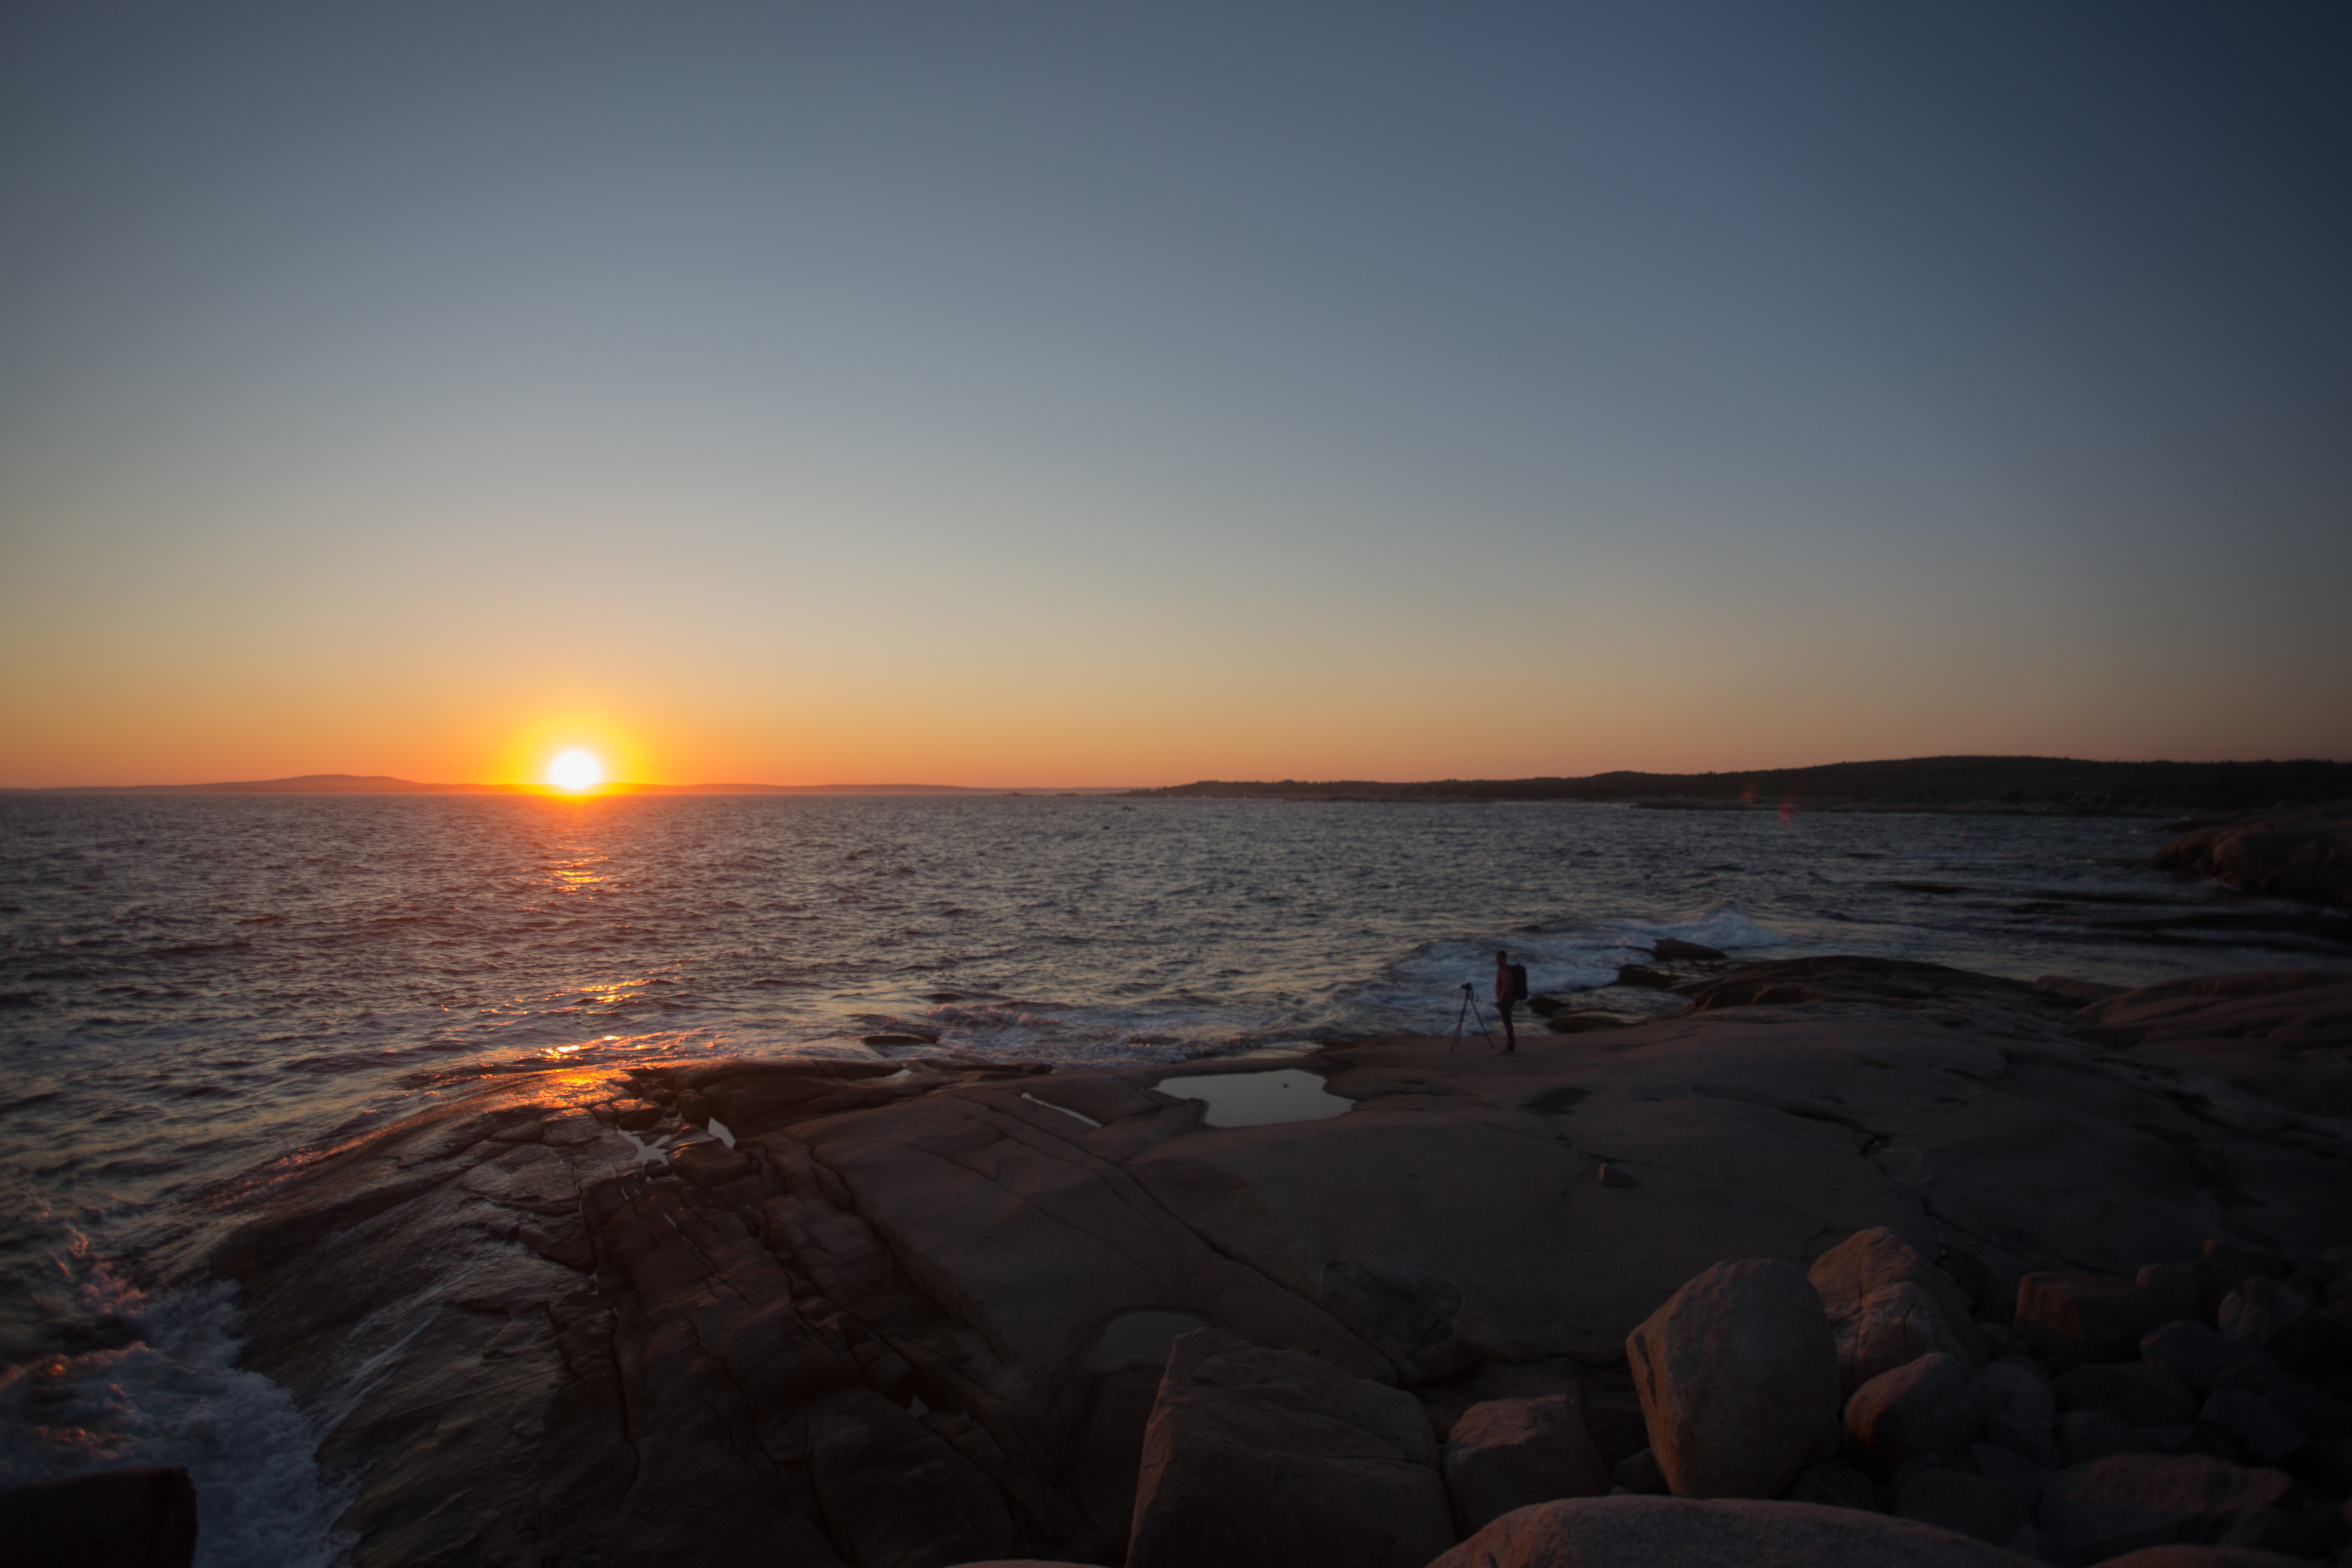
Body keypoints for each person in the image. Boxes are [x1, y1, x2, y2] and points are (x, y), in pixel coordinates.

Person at [1494, 950, 1519, 1053]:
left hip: (1506, 1001)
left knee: (1508, 1023)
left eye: (1499, 959)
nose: (1497, 961)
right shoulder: (1503, 970)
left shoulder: (1505, 971)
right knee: (1507, 1022)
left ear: (1504, 959)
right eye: (1496, 959)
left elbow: (1507, 987)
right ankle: (1511, 1045)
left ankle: (1510, 1046)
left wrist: (1501, 999)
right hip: (1507, 1000)